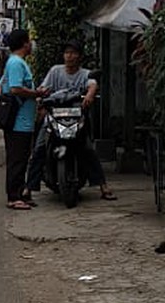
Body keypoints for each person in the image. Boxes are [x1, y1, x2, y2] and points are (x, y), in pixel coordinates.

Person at [24, 37, 116, 200]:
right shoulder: (55, 71)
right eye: (67, 53)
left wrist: (89, 96)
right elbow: (44, 88)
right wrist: (40, 96)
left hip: (76, 118)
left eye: (73, 53)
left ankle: (103, 186)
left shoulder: (85, 74)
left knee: (88, 149)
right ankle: (29, 188)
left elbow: (92, 84)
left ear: (79, 56)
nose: (69, 56)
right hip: (54, 117)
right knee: (39, 148)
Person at [0, 27, 45, 209]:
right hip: (18, 121)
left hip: (22, 121)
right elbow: (15, 88)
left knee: (22, 158)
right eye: (29, 41)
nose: (31, 44)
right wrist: (35, 93)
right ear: (25, 43)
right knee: (17, 159)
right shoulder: (16, 63)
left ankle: (21, 193)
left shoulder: (14, 62)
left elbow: (2, 85)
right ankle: (14, 196)